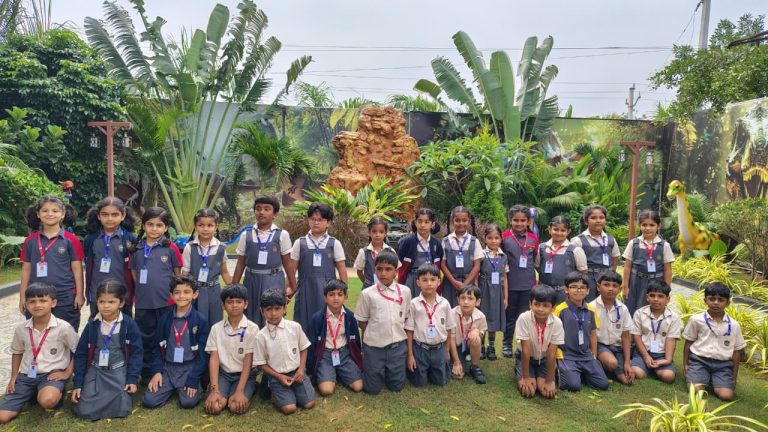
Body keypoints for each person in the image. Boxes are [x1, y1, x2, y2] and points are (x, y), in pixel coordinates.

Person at [0, 282, 79, 424]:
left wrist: (67, 373)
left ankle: (52, 392)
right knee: (2, 417)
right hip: (27, 375)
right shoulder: (21, 329)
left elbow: (79, 351)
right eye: (32, 301)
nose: (37, 305)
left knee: (47, 400)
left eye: (43, 300)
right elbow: (17, 352)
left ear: (53, 303)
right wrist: (13, 377)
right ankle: (32, 392)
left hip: (51, 374)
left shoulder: (63, 327)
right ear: (26, 304)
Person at [71, 279, 143, 420]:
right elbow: (81, 355)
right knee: (83, 410)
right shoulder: (92, 325)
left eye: (111, 302)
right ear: (96, 302)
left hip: (118, 371)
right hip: (96, 371)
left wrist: (132, 378)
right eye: (101, 301)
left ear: (121, 303)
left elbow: (137, 354)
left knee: (122, 409)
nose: (106, 306)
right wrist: (78, 383)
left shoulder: (129, 324)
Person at [129, 207, 183, 379]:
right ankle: (147, 373)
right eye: (150, 224)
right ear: (143, 225)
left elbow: (177, 275)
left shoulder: (171, 248)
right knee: (145, 337)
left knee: (166, 337)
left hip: (166, 302)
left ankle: (166, 371)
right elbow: (134, 275)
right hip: (144, 302)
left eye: (159, 225)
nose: (154, 229)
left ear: (166, 227)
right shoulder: (136, 248)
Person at [143, 275, 210, 409]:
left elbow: (203, 356)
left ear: (195, 294)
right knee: (149, 401)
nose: (181, 296)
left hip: (189, 368)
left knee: (188, 402)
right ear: (171, 295)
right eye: (177, 292)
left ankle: (185, 387)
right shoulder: (164, 319)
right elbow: (156, 349)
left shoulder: (200, 320)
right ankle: (170, 386)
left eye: (186, 292)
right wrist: (157, 372)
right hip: (168, 368)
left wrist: (193, 378)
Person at [19, 196, 84, 330]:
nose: (50, 214)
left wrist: (79, 294)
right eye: (45, 211)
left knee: (67, 333)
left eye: (55, 211)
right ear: (38, 214)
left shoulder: (71, 240)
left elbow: (77, 269)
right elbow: (26, 270)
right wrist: (22, 297)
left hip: (65, 296)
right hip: (36, 297)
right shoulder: (30, 241)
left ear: (63, 214)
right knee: (38, 334)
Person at [231, 196, 295, 326]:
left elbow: (287, 263)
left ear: (275, 214)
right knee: (250, 316)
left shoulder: (282, 235)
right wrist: (234, 288)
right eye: (258, 209)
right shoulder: (247, 235)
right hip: (251, 281)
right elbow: (240, 263)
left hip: (274, 280)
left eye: (267, 209)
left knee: (273, 313)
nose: (262, 212)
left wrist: (293, 286)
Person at [354, 250, 411, 395]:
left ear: (396, 272)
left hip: (397, 348)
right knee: (372, 389)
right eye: (379, 269)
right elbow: (363, 322)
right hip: (374, 348)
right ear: (375, 270)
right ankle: (373, 366)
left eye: (388, 269)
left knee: (396, 387)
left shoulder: (405, 292)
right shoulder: (367, 294)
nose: (383, 273)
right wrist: (368, 345)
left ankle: (389, 369)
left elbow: (405, 318)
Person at [254, 289, 316, 415]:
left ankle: (295, 391)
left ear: (284, 308)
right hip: (277, 376)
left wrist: (301, 370)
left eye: (277, 308)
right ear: (262, 311)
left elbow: (303, 348)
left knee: (309, 404)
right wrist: (279, 377)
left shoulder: (295, 327)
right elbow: (261, 364)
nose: (273, 313)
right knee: (289, 408)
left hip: (297, 373)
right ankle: (273, 391)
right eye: (268, 309)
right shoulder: (261, 336)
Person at [288, 203, 348, 333]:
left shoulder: (334, 243)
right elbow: (291, 269)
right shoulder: (300, 242)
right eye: (313, 219)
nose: (316, 222)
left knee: (326, 325)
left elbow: (342, 269)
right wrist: (289, 289)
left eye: (320, 219)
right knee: (303, 323)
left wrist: (343, 291)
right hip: (305, 289)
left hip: (328, 290)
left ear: (328, 222)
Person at [683, 283, 746, 401]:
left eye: (721, 300)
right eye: (712, 299)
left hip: (723, 365)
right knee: (696, 390)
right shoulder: (696, 320)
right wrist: (686, 365)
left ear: (728, 303)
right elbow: (688, 343)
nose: (716, 303)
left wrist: (733, 377)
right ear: (705, 300)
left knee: (726, 396)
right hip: (699, 361)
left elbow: (737, 352)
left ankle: (714, 380)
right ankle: (702, 377)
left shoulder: (734, 325)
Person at [204, 284, 260, 415]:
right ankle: (227, 392)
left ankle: (249, 388)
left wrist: (240, 391)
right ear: (223, 305)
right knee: (215, 407)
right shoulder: (216, 328)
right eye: (229, 302)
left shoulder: (253, 328)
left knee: (235, 407)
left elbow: (248, 362)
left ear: (245, 304)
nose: (234, 305)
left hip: (245, 374)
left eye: (238, 302)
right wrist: (214, 390)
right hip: (224, 374)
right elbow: (214, 359)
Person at [405, 264, 460, 387]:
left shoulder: (445, 304)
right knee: (419, 383)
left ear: (438, 282)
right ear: (418, 282)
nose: (429, 283)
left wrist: (446, 350)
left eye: (432, 280)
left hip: (439, 348)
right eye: (424, 280)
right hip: (420, 349)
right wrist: (410, 355)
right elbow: (409, 330)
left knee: (440, 382)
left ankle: (436, 369)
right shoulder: (414, 304)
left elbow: (448, 328)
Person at [83, 196, 138, 318]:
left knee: (123, 325)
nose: (109, 219)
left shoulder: (130, 239)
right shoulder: (91, 239)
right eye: (105, 214)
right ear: (98, 216)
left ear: (123, 216)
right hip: (97, 294)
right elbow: (88, 264)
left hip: (122, 294)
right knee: (97, 325)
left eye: (114, 215)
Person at [554, 272, 609, 392]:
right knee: (573, 386)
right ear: (566, 290)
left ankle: (578, 373)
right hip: (566, 355)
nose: (578, 290)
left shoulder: (591, 310)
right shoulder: (560, 310)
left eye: (582, 287)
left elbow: (593, 335)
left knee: (602, 384)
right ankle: (566, 372)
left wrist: (593, 355)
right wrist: (555, 357)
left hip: (585, 355)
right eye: (573, 287)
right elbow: (553, 336)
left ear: (588, 291)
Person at [307, 280, 363, 396]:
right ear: (325, 298)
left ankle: (338, 373)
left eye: (340, 294)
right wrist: (310, 368)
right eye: (331, 295)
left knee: (358, 386)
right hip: (325, 355)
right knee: (327, 390)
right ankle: (329, 374)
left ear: (345, 297)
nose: (336, 298)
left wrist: (357, 358)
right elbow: (311, 344)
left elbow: (355, 339)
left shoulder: (350, 316)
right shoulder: (317, 318)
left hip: (344, 354)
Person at [182, 209, 232, 324]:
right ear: (195, 226)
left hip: (214, 291)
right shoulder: (189, 247)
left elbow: (224, 272)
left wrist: (233, 289)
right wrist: (184, 292)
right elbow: (185, 274)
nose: (205, 229)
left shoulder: (221, 248)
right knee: (196, 322)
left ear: (216, 226)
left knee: (215, 322)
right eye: (201, 225)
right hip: (195, 291)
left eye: (210, 225)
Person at [501, 205, 538, 358]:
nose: (519, 223)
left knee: (524, 317)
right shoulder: (504, 237)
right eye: (516, 220)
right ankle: (506, 343)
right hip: (510, 284)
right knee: (509, 316)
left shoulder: (533, 238)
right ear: (510, 220)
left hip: (528, 284)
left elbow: (534, 258)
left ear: (528, 221)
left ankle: (521, 345)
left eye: (523, 220)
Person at [514, 284, 564, 399]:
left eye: (545, 306)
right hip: (526, 358)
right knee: (529, 391)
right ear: (530, 304)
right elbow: (526, 350)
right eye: (536, 304)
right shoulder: (524, 318)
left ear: (553, 308)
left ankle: (541, 375)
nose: (540, 309)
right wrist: (526, 377)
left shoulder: (557, 323)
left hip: (544, 359)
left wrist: (549, 381)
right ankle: (523, 370)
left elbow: (552, 354)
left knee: (546, 392)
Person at [622, 209, 674, 315]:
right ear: (639, 225)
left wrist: (667, 290)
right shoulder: (633, 244)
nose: (648, 228)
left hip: (656, 283)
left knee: (653, 310)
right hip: (636, 283)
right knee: (632, 309)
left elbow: (667, 270)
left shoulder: (664, 245)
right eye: (644, 225)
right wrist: (625, 287)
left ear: (658, 226)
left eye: (652, 225)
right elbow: (627, 267)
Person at [630, 280, 681, 384]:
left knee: (668, 377)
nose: (656, 299)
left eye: (660, 296)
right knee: (637, 373)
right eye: (652, 295)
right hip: (642, 352)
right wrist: (646, 356)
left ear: (668, 299)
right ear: (647, 297)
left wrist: (667, 360)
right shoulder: (639, 313)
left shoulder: (673, 317)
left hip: (662, 354)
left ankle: (655, 368)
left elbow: (671, 340)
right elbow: (636, 336)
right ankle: (644, 366)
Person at [589, 272, 634, 385]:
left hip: (617, 347)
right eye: (606, 285)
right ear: (598, 287)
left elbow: (626, 336)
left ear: (620, 289)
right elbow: (590, 336)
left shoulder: (623, 308)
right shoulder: (591, 307)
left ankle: (615, 369)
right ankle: (604, 366)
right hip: (600, 346)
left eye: (615, 286)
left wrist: (627, 362)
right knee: (612, 363)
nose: (610, 289)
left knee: (627, 381)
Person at [570, 205, 620, 302]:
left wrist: (610, 274)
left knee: (605, 303)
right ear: (586, 221)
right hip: (587, 279)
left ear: (605, 220)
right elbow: (573, 263)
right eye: (593, 218)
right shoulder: (578, 240)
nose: (598, 221)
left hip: (606, 279)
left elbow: (615, 258)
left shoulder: (610, 240)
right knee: (588, 303)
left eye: (601, 217)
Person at [536, 216, 587, 305]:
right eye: (556, 229)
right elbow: (537, 266)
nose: (559, 233)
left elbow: (582, 272)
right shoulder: (541, 248)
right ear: (549, 229)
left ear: (568, 231)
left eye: (563, 230)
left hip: (565, 293)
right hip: (544, 292)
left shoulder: (575, 250)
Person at [441, 206, 483, 308]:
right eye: (457, 220)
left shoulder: (474, 241)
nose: (461, 223)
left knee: (467, 310)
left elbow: (477, 266)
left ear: (469, 221)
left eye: (464, 220)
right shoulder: (446, 241)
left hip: (469, 284)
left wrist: (465, 284)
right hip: (450, 284)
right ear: (452, 221)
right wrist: (454, 282)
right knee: (450, 310)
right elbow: (442, 265)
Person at [397, 208, 444, 298]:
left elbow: (439, 264)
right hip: (412, 280)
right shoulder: (407, 242)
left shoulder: (436, 243)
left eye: (426, 222)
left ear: (432, 224)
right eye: (420, 221)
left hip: (429, 281)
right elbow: (399, 262)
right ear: (415, 223)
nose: (423, 225)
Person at [478, 223, 508, 361]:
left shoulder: (503, 256)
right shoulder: (481, 255)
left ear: (501, 239)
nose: (493, 241)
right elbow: (476, 275)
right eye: (490, 238)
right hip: (484, 289)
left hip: (498, 291)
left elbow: (505, 277)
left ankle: (491, 346)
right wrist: (477, 295)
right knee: (482, 317)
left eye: (496, 238)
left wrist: (506, 297)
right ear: (485, 238)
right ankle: (481, 346)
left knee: (494, 317)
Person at [451, 284, 487, 384]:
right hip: (455, 346)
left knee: (476, 338)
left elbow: (482, 333)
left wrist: (477, 332)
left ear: (477, 302)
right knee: (457, 375)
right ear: (458, 300)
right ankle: (458, 360)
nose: (466, 302)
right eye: (463, 298)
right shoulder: (451, 314)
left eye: (470, 298)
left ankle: (474, 367)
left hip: (470, 345)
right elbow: (451, 340)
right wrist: (456, 362)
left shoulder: (481, 316)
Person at [354, 216, 398, 288]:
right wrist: (367, 283)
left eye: (381, 232)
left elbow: (395, 270)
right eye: (374, 231)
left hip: (386, 288)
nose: (377, 235)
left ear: (385, 233)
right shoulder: (364, 252)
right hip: (369, 289)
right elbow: (359, 271)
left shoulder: (391, 251)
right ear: (369, 232)